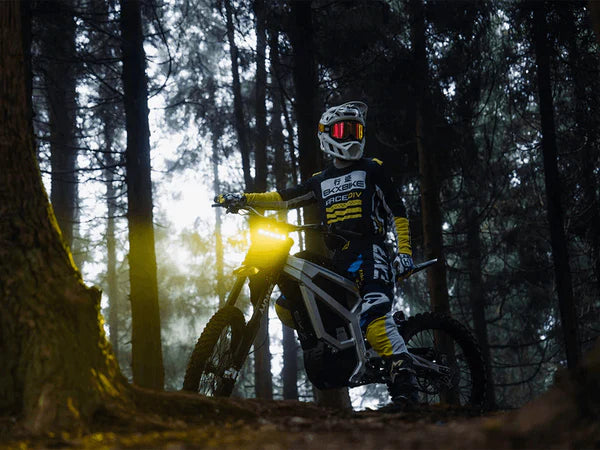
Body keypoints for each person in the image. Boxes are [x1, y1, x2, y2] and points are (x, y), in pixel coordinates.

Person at [215, 101, 418, 408]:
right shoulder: (320, 180)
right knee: (287, 304)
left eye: (355, 130)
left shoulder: (372, 168)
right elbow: (282, 197)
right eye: (342, 130)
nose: (350, 136)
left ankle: (407, 390)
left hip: (371, 253)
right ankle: (331, 350)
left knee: (375, 319)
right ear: (326, 135)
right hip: (339, 261)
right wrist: (244, 199)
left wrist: (404, 252)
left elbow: (398, 211)